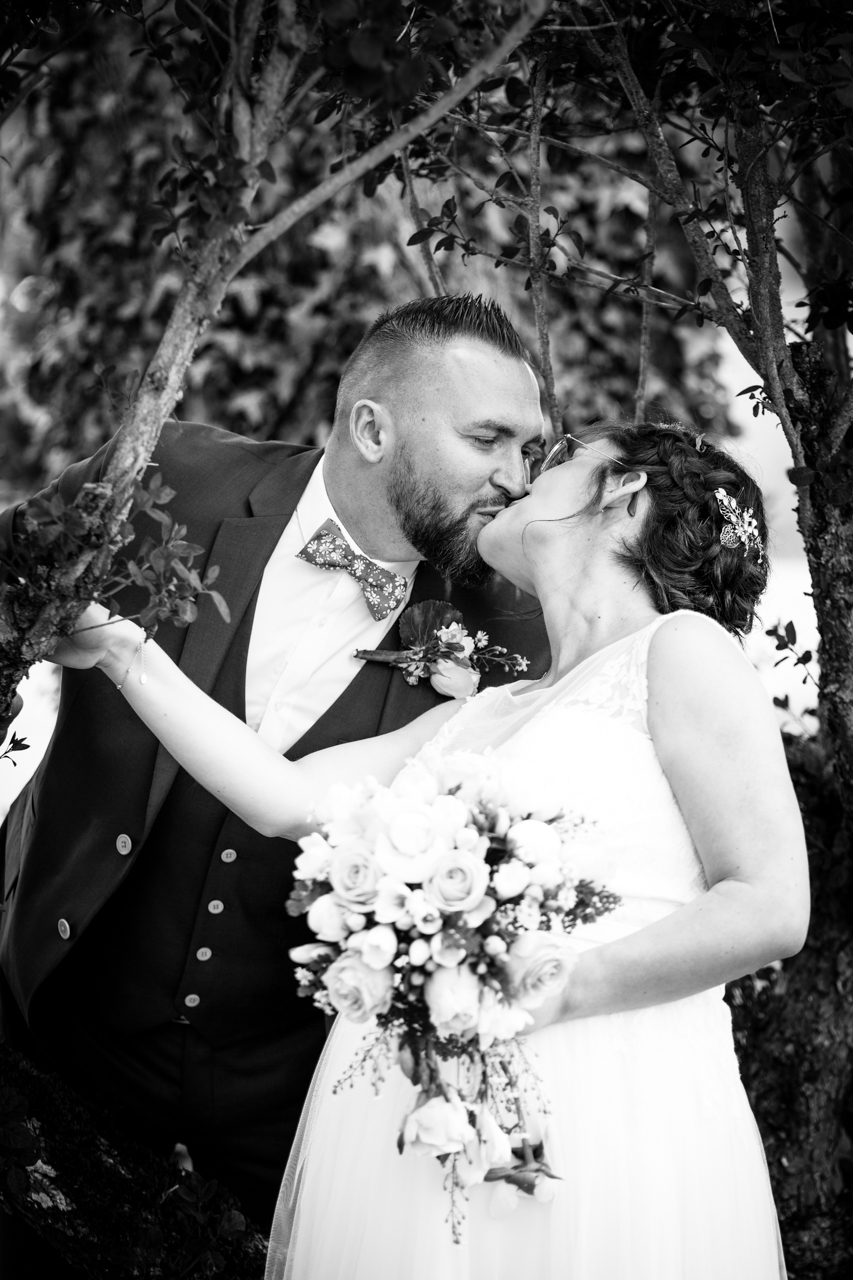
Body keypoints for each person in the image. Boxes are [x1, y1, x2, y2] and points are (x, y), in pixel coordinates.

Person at [50, 419, 808, 1279]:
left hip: (604, 1103)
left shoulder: (682, 650)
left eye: (558, 457)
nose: (522, 476)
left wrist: (555, 989)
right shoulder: (483, 709)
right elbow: (285, 799)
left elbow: (770, 902)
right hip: (416, 1117)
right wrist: (124, 653)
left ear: (624, 493)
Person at [0, 293, 549, 1230]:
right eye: (487, 439)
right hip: (59, 999)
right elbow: (12, 575)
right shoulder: (173, 479)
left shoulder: (508, 629)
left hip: (287, 1106)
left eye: (529, 449)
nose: (515, 478)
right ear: (371, 429)